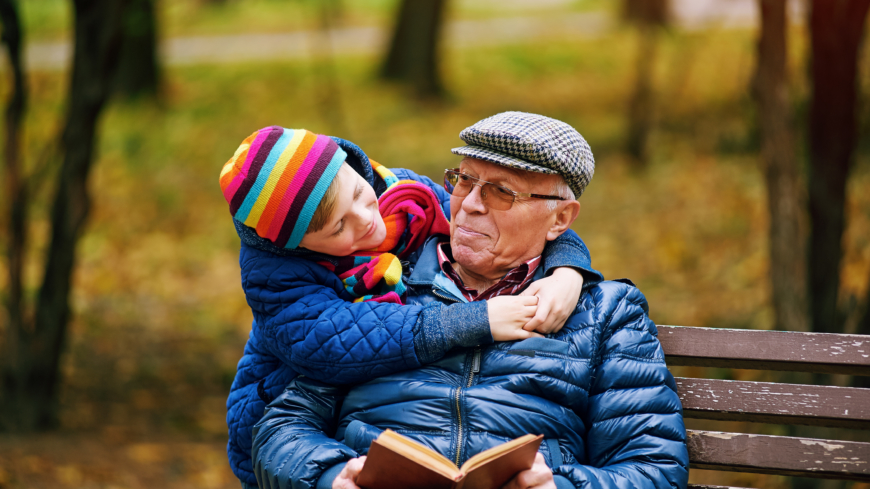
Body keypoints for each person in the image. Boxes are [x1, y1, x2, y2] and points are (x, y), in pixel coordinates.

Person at [251, 112, 689, 489]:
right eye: (464, 180)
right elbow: (281, 430)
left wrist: (561, 485)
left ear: (560, 219)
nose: (469, 205)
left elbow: (654, 468)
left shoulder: (604, 313)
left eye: (502, 191)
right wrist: (331, 475)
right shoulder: (374, 283)